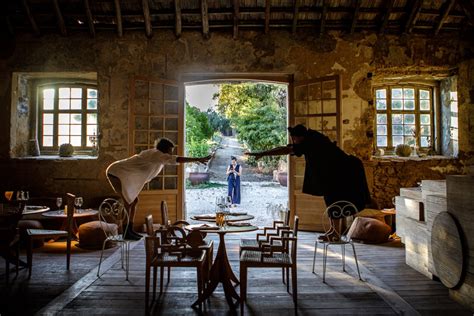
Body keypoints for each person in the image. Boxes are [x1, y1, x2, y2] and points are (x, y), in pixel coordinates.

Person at [246, 124, 370, 241]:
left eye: (294, 139)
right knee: (330, 200)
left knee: (335, 201)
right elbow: (289, 148)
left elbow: (286, 150)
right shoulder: (310, 138)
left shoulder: (311, 141)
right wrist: (263, 153)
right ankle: (334, 231)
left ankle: (336, 233)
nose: (293, 141)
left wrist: (263, 153)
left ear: (300, 137)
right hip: (334, 174)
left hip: (345, 171)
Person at [106, 138, 211, 240]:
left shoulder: (158, 156)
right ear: (165, 149)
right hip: (116, 172)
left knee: (134, 201)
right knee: (128, 203)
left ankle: (129, 230)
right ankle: (126, 232)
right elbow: (176, 159)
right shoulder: (156, 154)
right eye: (170, 150)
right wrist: (197, 159)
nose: (171, 152)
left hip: (122, 173)